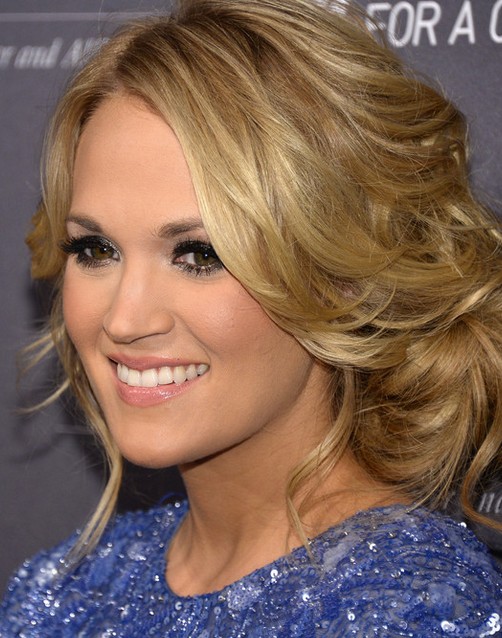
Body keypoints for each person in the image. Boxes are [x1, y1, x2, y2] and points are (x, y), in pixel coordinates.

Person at [1, 0, 501, 634]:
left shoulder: (407, 610)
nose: (124, 320)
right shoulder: (63, 587)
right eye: (96, 250)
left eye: (199, 254)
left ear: (343, 276)